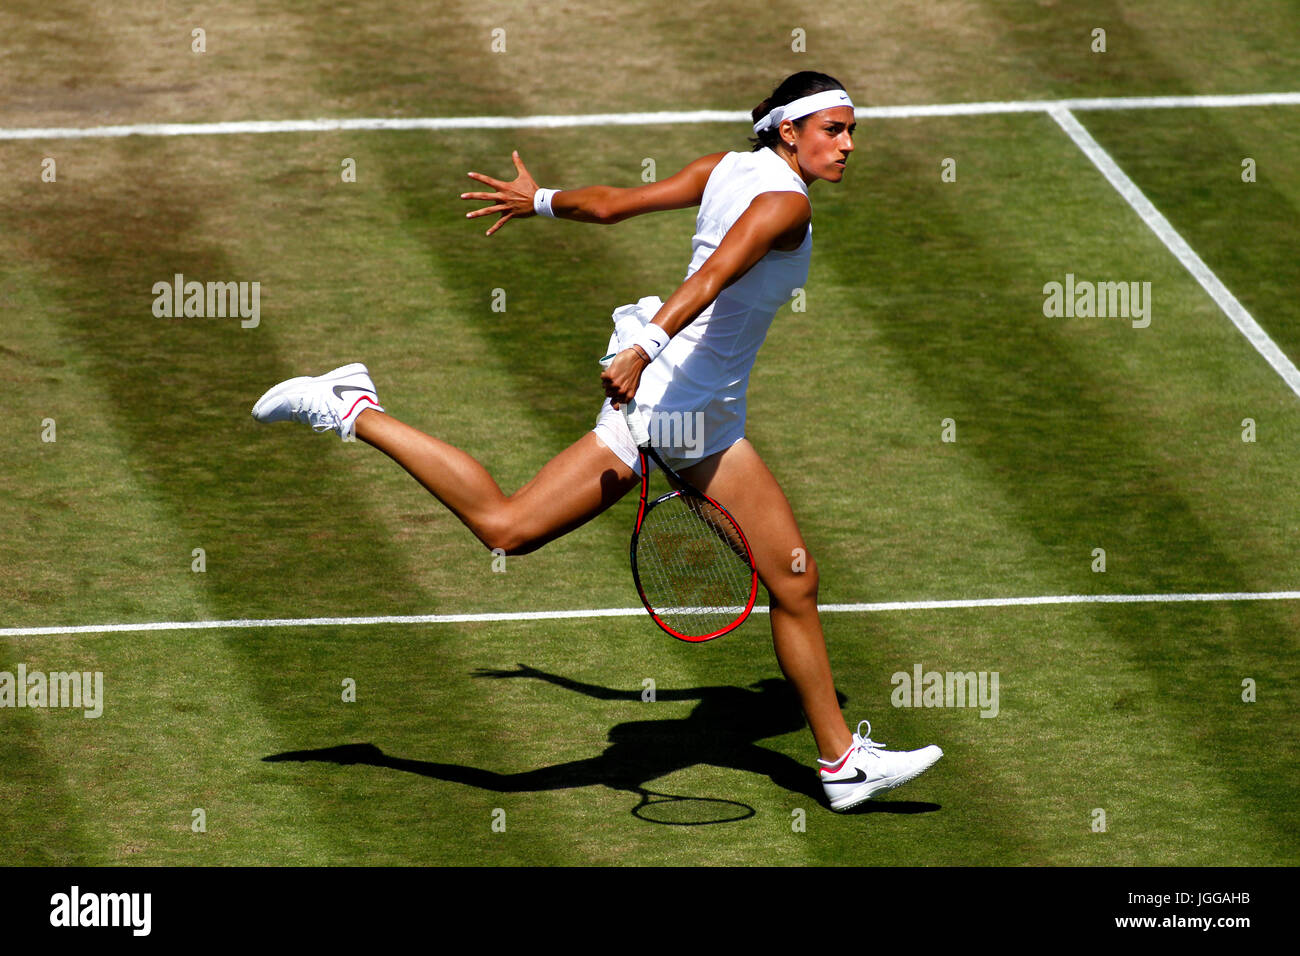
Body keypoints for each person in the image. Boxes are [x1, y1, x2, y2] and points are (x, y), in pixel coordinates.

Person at [251, 71, 942, 810]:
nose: (848, 145)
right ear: (788, 131)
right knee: (518, 531)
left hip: (696, 410)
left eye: (851, 130)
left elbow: (613, 207)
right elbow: (710, 277)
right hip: (672, 406)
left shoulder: (726, 168)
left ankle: (841, 763)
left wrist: (541, 201)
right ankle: (352, 407)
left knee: (781, 579)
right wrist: (644, 347)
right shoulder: (782, 205)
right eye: (834, 129)